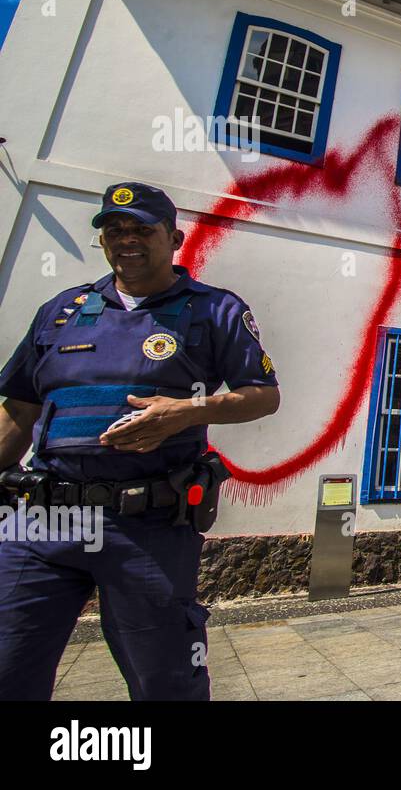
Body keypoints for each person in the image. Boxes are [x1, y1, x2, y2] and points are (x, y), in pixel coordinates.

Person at [0, 182, 280, 700]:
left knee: (164, 680)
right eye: (114, 230)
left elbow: (262, 395)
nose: (126, 239)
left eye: (140, 229)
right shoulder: (62, 311)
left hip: (147, 523)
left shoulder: (212, 310)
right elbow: (19, 407)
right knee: (8, 664)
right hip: (43, 520)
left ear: (173, 238)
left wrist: (187, 412)